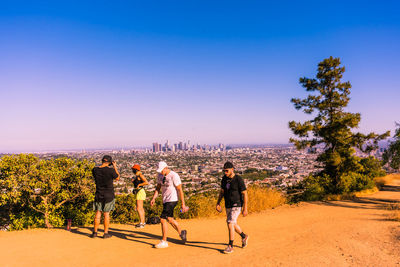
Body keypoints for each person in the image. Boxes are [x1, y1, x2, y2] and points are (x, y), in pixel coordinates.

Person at [150, 161, 189, 248]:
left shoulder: (174, 175)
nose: (161, 172)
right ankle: (181, 232)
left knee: (162, 219)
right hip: (165, 200)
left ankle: (164, 241)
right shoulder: (160, 176)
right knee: (170, 219)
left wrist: (183, 204)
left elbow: (180, 190)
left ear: (166, 168)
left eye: (162, 170)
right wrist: (154, 198)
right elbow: (158, 188)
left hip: (172, 199)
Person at [216, 161, 249, 254]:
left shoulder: (238, 179)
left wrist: (245, 208)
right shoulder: (224, 179)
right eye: (224, 171)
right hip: (228, 205)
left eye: (227, 171)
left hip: (237, 204)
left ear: (232, 169)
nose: (225, 172)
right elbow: (222, 192)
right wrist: (218, 203)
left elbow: (245, 193)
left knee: (230, 223)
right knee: (232, 224)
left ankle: (230, 246)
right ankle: (243, 236)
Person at [91, 155, 120, 238]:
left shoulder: (95, 170)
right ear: (110, 162)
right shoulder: (110, 170)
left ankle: (95, 232)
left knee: (98, 212)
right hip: (108, 195)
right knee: (106, 214)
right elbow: (117, 177)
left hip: (98, 194)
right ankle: (105, 233)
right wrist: (114, 166)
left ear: (102, 161)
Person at [131, 164, 149, 228]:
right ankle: (142, 222)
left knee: (139, 208)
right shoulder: (137, 175)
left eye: (133, 169)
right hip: (139, 192)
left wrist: (139, 185)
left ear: (136, 170)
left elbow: (146, 182)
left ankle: (142, 223)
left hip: (140, 191)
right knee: (141, 208)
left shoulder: (140, 175)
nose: (132, 170)